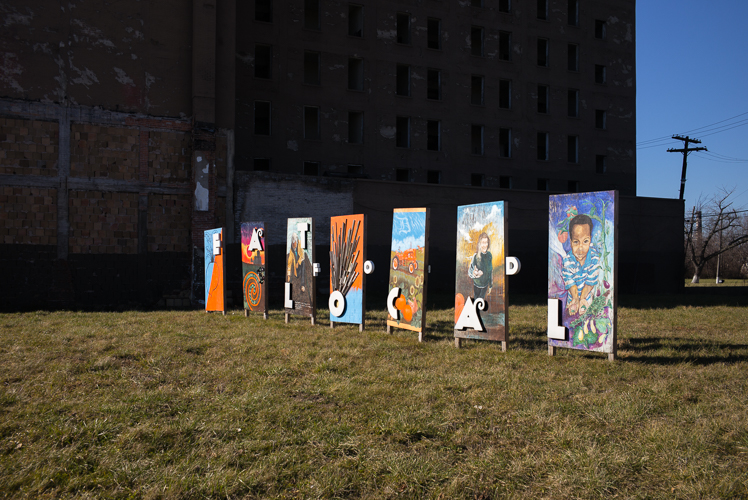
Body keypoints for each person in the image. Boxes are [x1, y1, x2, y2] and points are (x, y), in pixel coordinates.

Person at [562, 214, 600, 315]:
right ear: (570, 242)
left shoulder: (594, 258)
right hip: (572, 301)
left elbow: (590, 283)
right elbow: (570, 282)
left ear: (590, 240)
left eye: (585, 241)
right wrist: (575, 299)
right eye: (576, 242)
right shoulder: (567, 260)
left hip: (587, 299)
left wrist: (582, 298)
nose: (580, 248)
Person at [468, 232, 493, 300]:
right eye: (483, 242)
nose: (485, 245)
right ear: (479, 244)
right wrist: (474, 273)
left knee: (481, 302)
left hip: (485, 285)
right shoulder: (476, 256)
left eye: (486, 242)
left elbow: (490, 271)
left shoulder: (489, 255)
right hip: (477, 285)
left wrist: (490, 285)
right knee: (477, 302)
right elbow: (470, 270)